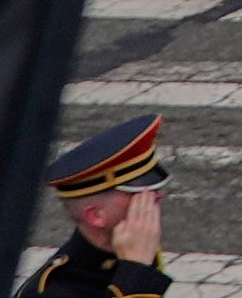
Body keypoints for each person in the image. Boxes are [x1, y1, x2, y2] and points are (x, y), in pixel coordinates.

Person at [26, 111, 170, 298]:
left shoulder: (124, 251)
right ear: (96, 215)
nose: (157, 196)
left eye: (153, 187)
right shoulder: (56, 292)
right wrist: (137, 272)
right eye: (136, 192)